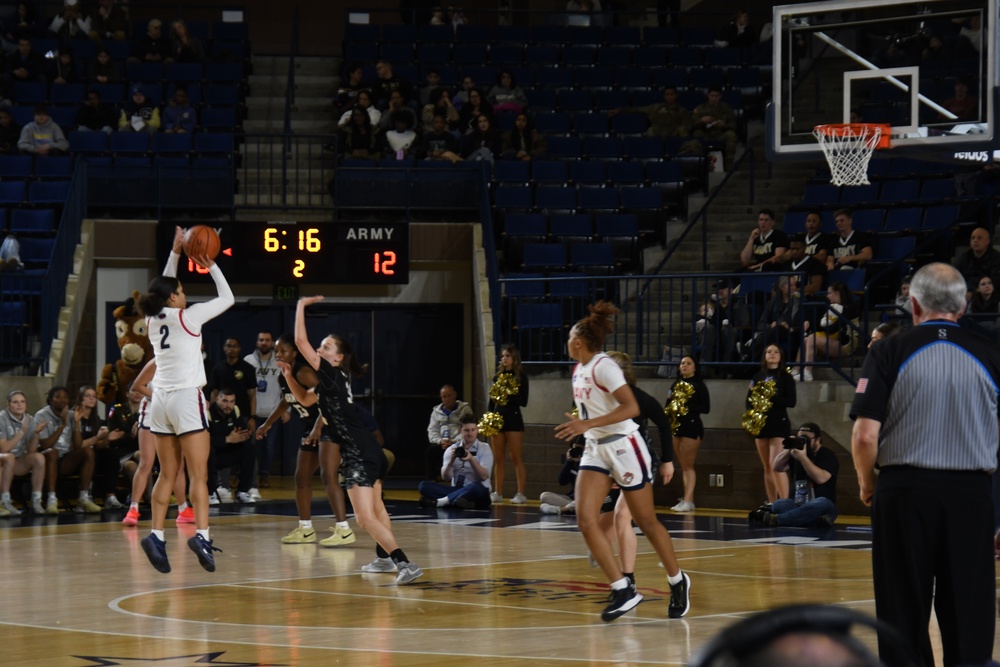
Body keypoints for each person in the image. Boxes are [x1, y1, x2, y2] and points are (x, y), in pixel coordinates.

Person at [851, 262, 1000, 667]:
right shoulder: (991, 352)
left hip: (903, 491)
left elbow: (865, 436)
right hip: (971, 496)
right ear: (964, 305)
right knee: (969, 617)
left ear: (912, 305)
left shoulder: (887, 351)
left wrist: (867, 482)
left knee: (902, 614)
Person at [554, 301, 690, 622]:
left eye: (569, 336)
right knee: (586, 519)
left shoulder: (605, 366)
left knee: (645, 522)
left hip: (626, 447)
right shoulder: (579, 369)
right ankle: (623, 589)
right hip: (596, 448)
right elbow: (594, 412)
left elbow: (631, 407)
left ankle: (677, 580)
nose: (567, 340)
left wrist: (586, 424)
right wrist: (583, 427)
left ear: (578, 341)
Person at [280, 295, 423, 584]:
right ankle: (384, 560)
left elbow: (299, 341)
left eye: (326, 347)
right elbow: (306, 400)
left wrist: (300, 305)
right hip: (371, 451)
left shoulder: (330, 372)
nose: (320, 350)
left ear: (338, 357)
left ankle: (405, 564)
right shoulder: (335, 381)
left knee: (364, 518)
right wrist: (289, 376)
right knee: (378, 510)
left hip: (358, 452)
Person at [136, 225, 234, 574]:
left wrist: (177, 252)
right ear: (174, 298)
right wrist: (211, 266)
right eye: (180, 290)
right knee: (198, 475)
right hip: (185, 399)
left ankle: (156, 535)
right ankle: (202, 536)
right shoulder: (188, 318)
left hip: (159, 401)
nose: (183, 292)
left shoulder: (151, 319)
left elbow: (161, 284)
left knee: (166, 474)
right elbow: (227, 299)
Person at [264, 334, 354, 547]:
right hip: (310, 428)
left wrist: (317, 428)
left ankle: (344, 529)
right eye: (276, 351)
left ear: (294, 353)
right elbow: (287, 401)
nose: (278, 354)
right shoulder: (283, 376)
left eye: (283, 350)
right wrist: (267, 423)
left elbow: (326, 400)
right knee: (301, 477)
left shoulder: (304, 372)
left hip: (326, 425)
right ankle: (305, 529)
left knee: (328, 476)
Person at [121, 361, 193, 527]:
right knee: (146, 462)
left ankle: (183, 509)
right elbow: (138, 386)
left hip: (174, 413)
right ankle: (133, 508)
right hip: (152, 410)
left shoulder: (186, 362)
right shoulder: (158, 360)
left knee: (178, 466)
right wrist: (161, 399)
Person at [749, 422, 838, 527]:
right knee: (778, 504)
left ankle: (777, 519)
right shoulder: (795, 452)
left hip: (822, 505)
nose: (804, 443)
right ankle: (816, 521)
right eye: (801, 438)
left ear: (818, 440)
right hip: (798, 503)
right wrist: (789, 448)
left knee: (821, 503)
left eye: (807, 439)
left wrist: (803, 459)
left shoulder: (827, 455)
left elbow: (821, 478)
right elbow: (777, 467)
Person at [745, 345, 796, 503]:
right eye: (768, 352)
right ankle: (773, 503)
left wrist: (770, 396)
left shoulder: (786, 377)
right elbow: (749, 400)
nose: (772, 354)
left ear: (780, 356)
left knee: (776, 465)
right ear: (764, 356)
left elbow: (791, 402)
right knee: (767, 466)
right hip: (761, 424)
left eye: (775, 352)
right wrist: (752, 415)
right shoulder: (757, 377)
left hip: (778, 424)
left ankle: (785, 503)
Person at [417, 414, 493, 509]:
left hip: (477, 492)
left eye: (473, 430)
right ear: (460, 430)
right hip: (457, 490)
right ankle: (461, 502)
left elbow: (484, 476)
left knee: (476, 487)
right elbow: (446, 478)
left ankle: (442, 501)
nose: (470, 433)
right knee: (423, 486)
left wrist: (471, 459)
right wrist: (451, 461)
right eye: (466, 430)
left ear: (477, 430)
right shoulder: (452, 449)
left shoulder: (484, 448)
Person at [664, 356, 710, 512]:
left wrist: (687, 404)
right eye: (682, 363)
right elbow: (668, 404)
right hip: (676, 426)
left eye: (689, 363)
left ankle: (689, 500)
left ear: (695, 367)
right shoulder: (675, 384)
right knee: (683, 465)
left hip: (691, 427)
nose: (684, 365)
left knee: (688, 465)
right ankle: (686, 498)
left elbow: (706, 408)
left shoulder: (699, 385)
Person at [72, 385, 125, 510]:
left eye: (94, 396)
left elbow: (97, 445)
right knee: (89, 452)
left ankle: (110, 497)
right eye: (87, 396)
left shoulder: (95, 419)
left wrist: (107, 438)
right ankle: (85, 497)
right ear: (80, 398)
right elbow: (76, 445)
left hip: (92, 455)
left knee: (111, 454)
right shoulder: (73, 416)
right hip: (74, 457)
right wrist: (97, 438)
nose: (91, 399)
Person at [487, 343, 529, 504]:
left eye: (507, 356)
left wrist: (508, 394)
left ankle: (521, 493)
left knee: (516, 457)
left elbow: (523, 401)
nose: (504, 358)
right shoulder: (497, 377)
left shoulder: (521, 377)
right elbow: (491, 400)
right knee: (498, 459)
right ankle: (498, 492)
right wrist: (489, 416)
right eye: (503, 356)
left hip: (513, 419)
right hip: (498, 419)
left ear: (514, 359)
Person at [796, 282, 860, 381]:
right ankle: (796, 370)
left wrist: (825, 324)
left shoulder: (850, 308)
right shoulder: (833, 307)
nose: (827, 296)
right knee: (805, 340)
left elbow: (832, 329)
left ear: (837, 293)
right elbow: (826, 327)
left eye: (830, 293)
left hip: (847, 343)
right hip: (834, 339)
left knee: (812, 339)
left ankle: (807, 372)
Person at [207, 388, 257, 504]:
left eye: (231, 401)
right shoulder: (208, 412)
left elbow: (240, 433)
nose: (228, 405)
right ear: (217, 399)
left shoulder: (235, 410)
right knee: (209, 451)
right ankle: (210, 493)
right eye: (224, 401)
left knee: (249, 448)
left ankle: (242, 491)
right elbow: (204, 441)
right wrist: (227, 439)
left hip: (227, 451)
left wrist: (244, 436)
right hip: (212, 454)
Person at [245, 331, 281, 490]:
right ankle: (247, 477)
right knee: (250, 446)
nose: (264, 343)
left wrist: (286, 410)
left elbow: (285, 388)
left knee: (269, 447)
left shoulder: (279, 361)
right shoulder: (248, 360)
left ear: (272, 343)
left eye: (267, 340)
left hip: (272, 412)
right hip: (252, 411)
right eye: (261, 340)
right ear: (257, 342)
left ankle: (265, 475)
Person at [0, 390, 46, 515]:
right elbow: (3, 449)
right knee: (9, 457)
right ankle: (4, 501)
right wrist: (21, 432)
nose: (19, 405)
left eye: (22, 402)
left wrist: (36, 434)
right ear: (8, 404)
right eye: (15, 402)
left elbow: (31, 451)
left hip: (16, 461)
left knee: (38, 457)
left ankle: (36, 501)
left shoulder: (29, 419)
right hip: (2, 460)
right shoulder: (2, 418)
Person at [425, 384, 472, 481]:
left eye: (449, 396)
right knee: (430, 451)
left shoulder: (465, 410)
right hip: (442, 443)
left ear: (455, 395)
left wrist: (454, 441)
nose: (447, 399)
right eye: (444, 397)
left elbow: (468, 429)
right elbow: (432, 430)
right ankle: (431, 482)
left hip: (458, 443)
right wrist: (440, 441)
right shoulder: (436, 412)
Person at [698, 277, 750, 364]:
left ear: (731, 290)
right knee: (709, 328)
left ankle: (726, 365)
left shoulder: (738, 305)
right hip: (716, 336)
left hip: (733, 336)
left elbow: (744, 324)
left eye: (722, 288)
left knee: (728, 329)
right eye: (718, 288)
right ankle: (704, 365)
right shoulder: (714, 305)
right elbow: (710, 322)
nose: (719, 291)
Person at [608, 86, 692, 139]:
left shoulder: (682, 111)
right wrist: (620, 110)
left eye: (671, 94)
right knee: (650, 130)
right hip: (657, 135)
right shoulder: (655, 108)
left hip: (674, 136)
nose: (669, 97)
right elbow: (638, 109)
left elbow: (687, 125)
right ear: (664, 96)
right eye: (667, 94)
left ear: (676, 95)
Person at [751, 275, 800, 362]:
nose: (794, 288)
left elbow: (803, 324)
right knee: (777, 329)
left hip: (792, 334)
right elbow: (760, 325)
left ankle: (749, 354)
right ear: (781, 287)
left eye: (795, 285)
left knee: (778, 329)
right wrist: (771, 326)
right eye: (790, 285)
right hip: (774, 334)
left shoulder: (798, 302)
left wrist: (790, 328)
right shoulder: (772, 303)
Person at [691, 87, 738, 170]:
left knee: (731, 135)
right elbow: (693, 126)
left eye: (716, 96)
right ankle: (700, 165)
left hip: (720, 134)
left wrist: (724, 125)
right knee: (697, 134)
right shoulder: (701, 108)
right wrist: (702, 121)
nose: (714, 98)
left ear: (720, 96)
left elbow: (734, 125)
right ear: (708, 96)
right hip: (706, 134)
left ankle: (729, 166)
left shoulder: (726, 108)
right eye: (712, 96)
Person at [954, 226, 1000, 295]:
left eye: (979, 238)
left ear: (987, 241)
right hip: (965, 293)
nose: (975, 240)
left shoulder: (996, 257)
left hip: (988, 295)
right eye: (973, 238)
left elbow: (996, 281)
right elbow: (955, 279)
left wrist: (974, 293)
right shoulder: (963, 258)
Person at [538, 443, 581, 515]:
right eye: (574, 449)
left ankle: (566, 509)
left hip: (587, 499)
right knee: (544, 496)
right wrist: (569, 462)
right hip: (572, 499)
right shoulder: (571, 464)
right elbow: (562, 481)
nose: (576, 452)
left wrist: (581, 462)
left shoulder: (590, 463)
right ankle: (573, 507)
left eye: (579, 450)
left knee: (587, 502)